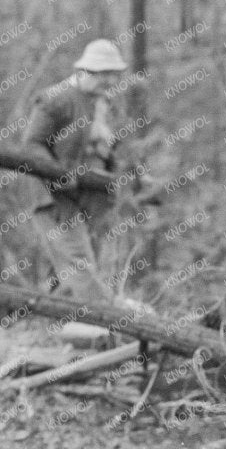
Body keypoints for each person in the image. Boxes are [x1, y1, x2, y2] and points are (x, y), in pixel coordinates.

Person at [21, 39, 134, 288]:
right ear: (86, 71)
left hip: (91, 197)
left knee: (83, 267)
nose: (111, 82)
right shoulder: (55, 101)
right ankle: (98, 322)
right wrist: (57, 173)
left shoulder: (103, 103)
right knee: (80, 264)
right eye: (105, 75)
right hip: (54, 198)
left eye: (113, 76)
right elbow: (32, 145)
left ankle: (62, 322)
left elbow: (110, 151)